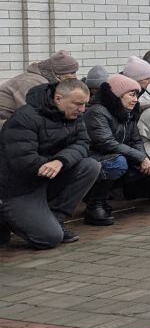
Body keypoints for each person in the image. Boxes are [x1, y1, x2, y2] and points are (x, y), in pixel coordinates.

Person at [0, 79, 99, 249]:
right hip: (18, 189)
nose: (82, 109)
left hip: (48, 177)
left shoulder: (75, 116)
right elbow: (24, 161)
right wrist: (52, 163)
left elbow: (83, 143)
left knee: (90, 166)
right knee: (49, 238)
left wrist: (60, 161)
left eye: (85, 104)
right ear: (58, 98)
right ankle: (6, 217)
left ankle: (56, 219)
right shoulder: (24, 118)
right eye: (77, 104)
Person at [84, 74, 150, 225]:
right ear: (117, 95)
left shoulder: (128, 112)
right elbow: (106, 143)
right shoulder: (97, 112)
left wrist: (143, 159)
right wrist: (140, 158)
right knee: (119, 162)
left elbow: (136, 140)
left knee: (143, 167)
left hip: (114, 156)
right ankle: (94, 204)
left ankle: (103, 197)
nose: (136, 99)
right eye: (131, 95)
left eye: (137, 95)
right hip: (93, 158)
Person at [0, 51, 80, 125]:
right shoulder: (33, 82)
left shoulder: (46, 82)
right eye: (72, 73)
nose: (75, 77)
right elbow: (31, 113)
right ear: (59, 74)